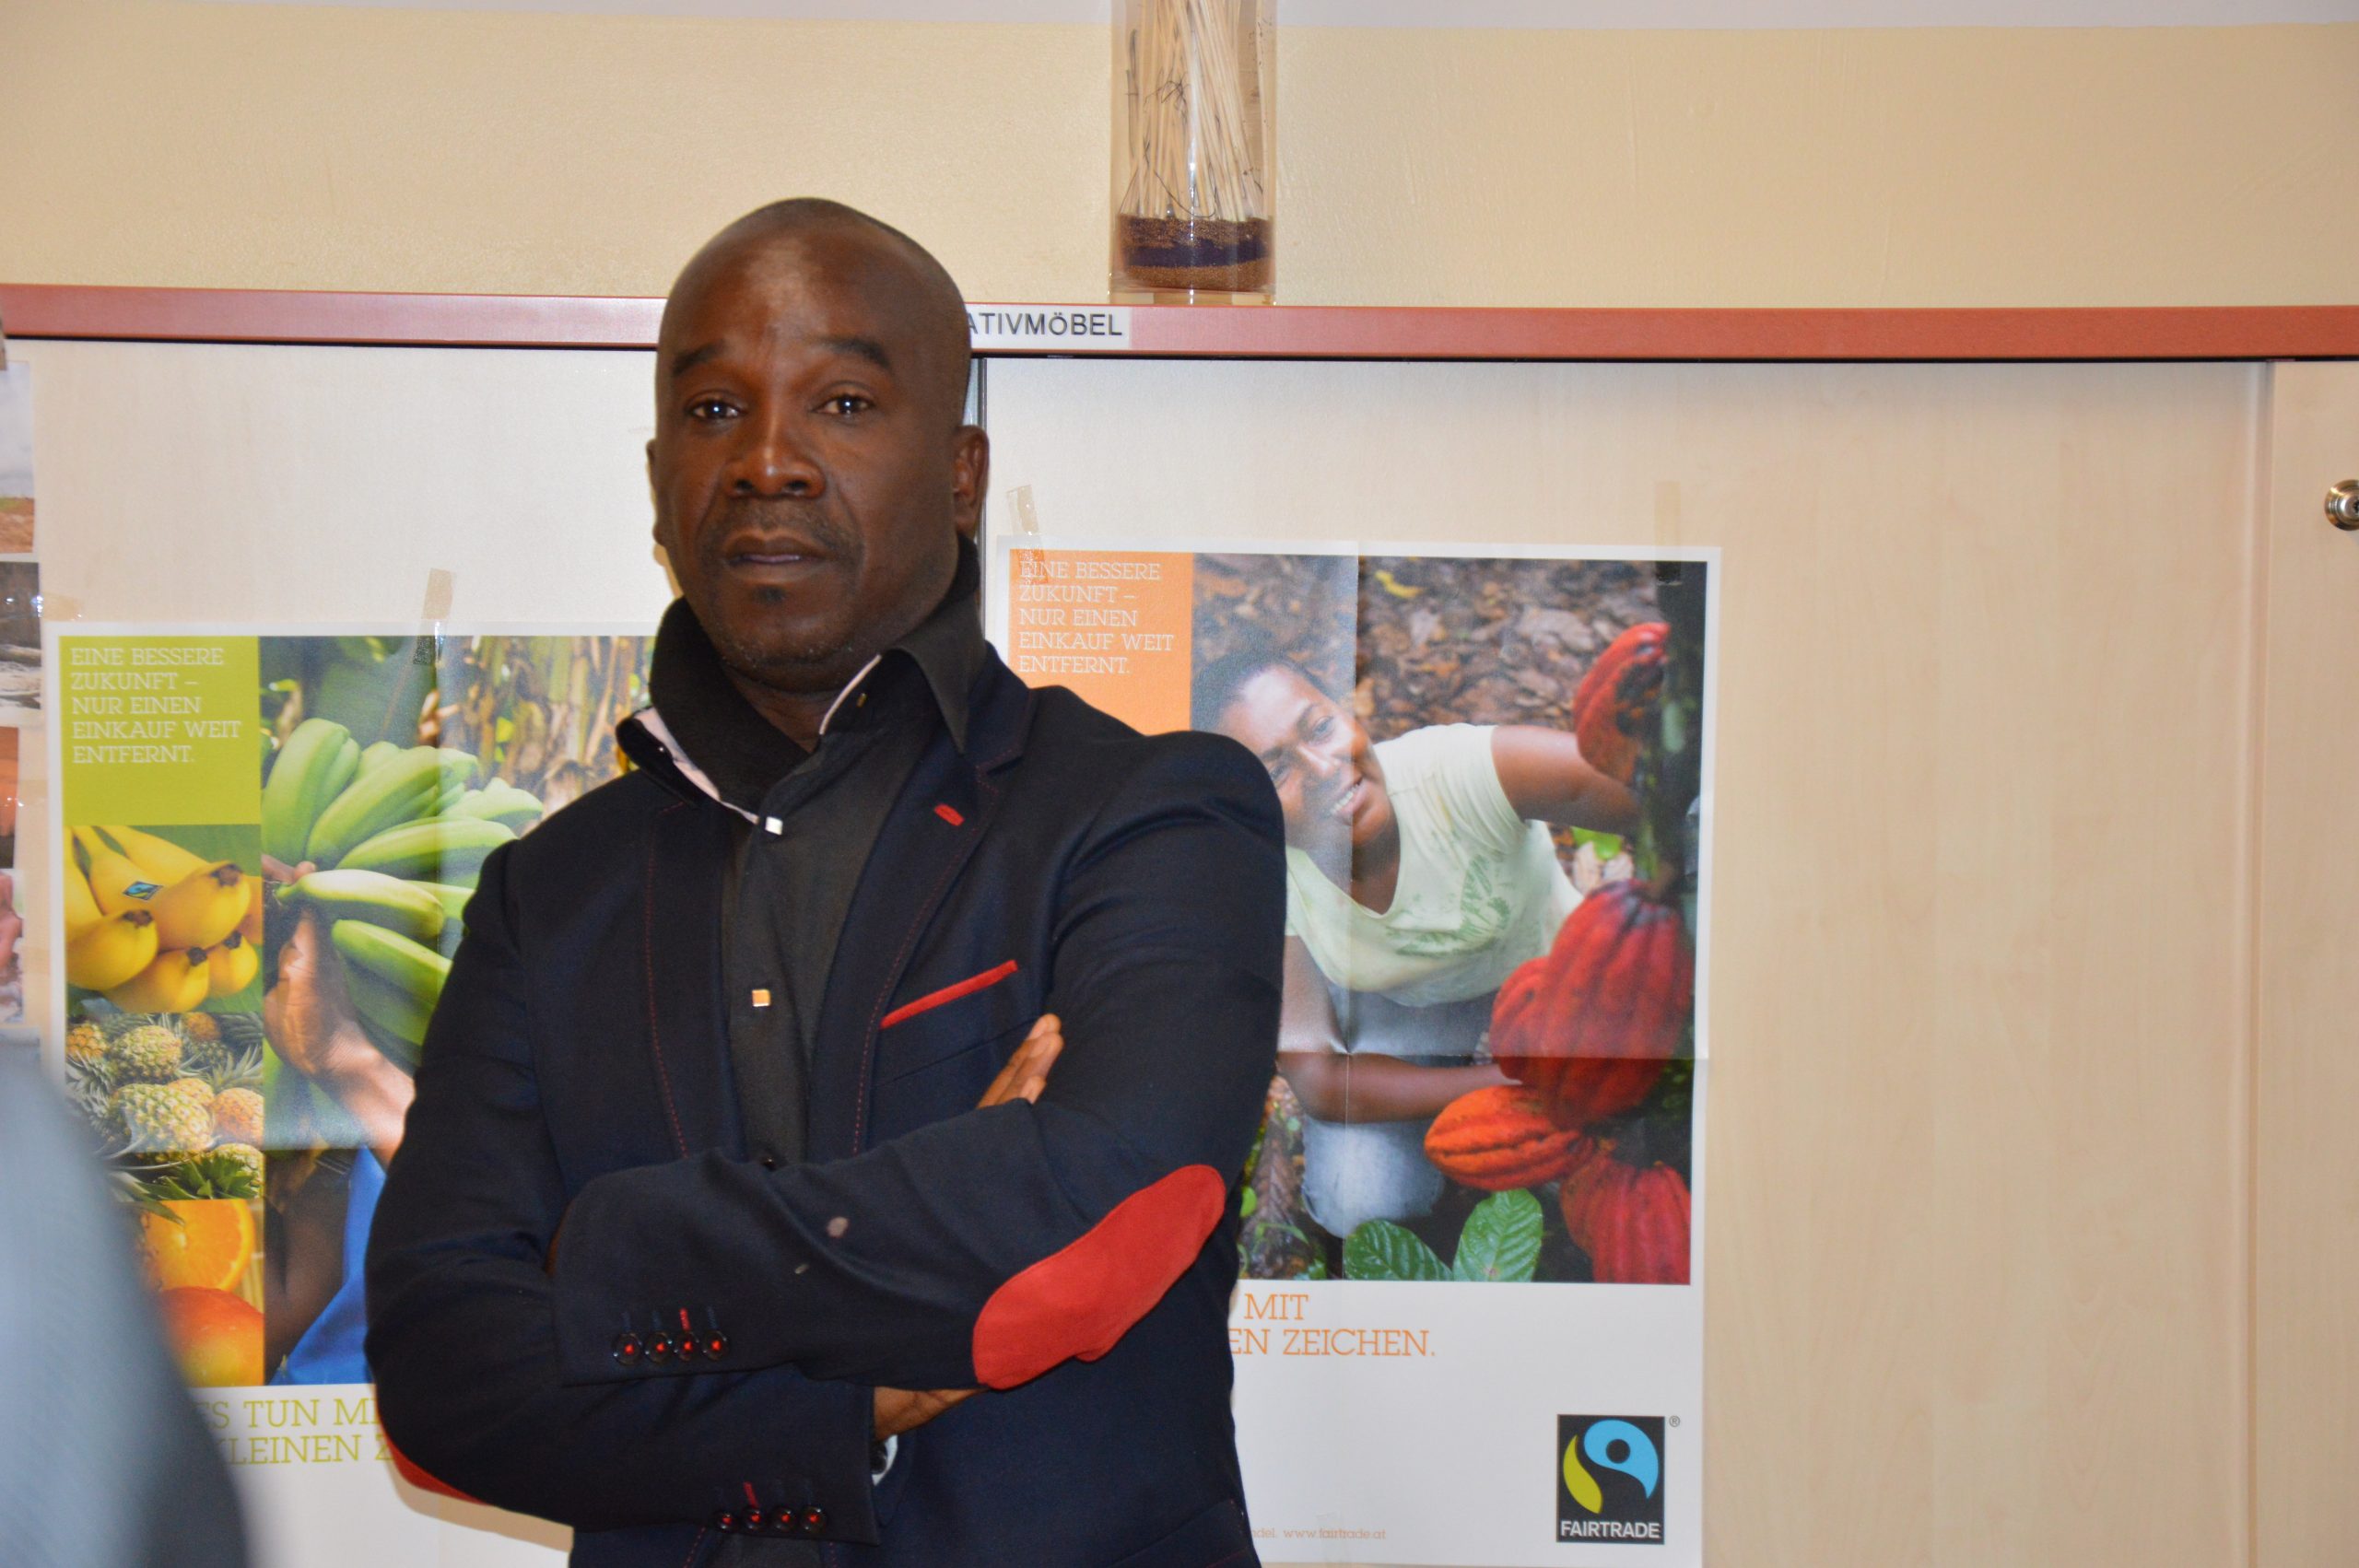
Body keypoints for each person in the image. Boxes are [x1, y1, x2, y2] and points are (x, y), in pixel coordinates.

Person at [366, 199, 1285, 1568]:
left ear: (963, 473)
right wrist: (844, 1410)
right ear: (659, 478)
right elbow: (444, 1379)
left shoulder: (1151, 814)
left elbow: (1109, 1210)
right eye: (715, 409)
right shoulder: (544, 898)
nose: (767, 461)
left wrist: (608, 1253)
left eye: (843, 403)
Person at [1193, 649, 1637, 1242]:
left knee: (1609, 1154)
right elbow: (1320, 1076)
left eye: (1320, 728)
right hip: (1410, 1005)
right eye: (1276, 772)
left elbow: (1661, 799)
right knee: (1358, 1197)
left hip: (1554, 976)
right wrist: (1507, 1087)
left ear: (1346, 713)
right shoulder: (1264, 877)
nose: (1322, 768)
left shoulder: (1455, 773)